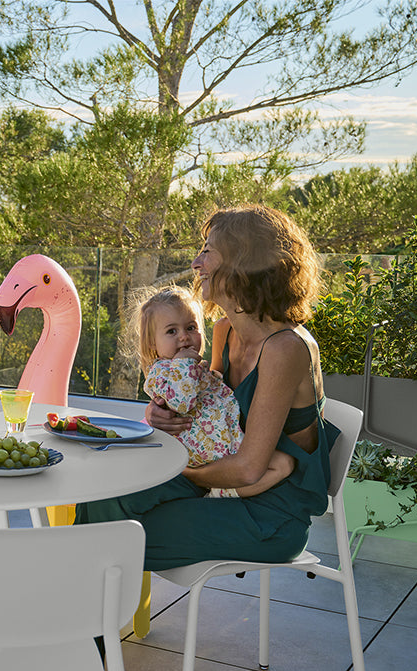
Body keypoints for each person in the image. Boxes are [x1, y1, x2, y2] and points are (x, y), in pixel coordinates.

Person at [75, 205, 341, 571]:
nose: (196, 263)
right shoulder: (224, 330)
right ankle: (81, 599)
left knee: (118, 537)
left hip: (269, 514)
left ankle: (74, 598)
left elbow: (248, 469)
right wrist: (161, 412)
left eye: (208, 251)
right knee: (102, 495)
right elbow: (206, 407)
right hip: (217, 477)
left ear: (243, 263)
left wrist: (176, 468)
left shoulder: (286, 348)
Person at [133, 286, 294, 498]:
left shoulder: (196, 368)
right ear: (152, 342)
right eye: (172, 331)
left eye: (191, 328)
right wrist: (184, 364)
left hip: (224, 440)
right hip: (204, 450)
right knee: (281, 466)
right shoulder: (160, 373)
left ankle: (220, 492)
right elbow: (183, 401)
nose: (184, 337)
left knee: (284, 464)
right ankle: (220, 492)